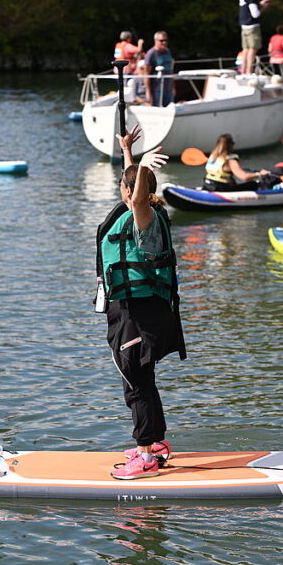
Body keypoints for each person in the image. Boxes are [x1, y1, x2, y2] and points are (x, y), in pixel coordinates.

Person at [96, 126, 186, 480]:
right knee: (142, 377)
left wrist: (143, 165)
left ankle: (146, 454)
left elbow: (136, 197)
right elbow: (133, 188)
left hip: (138, 311)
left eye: (126, 184)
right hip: (139, 309)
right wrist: (128, 152)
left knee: (135, 380)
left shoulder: (143, 218)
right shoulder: (146, 210)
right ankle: (157, 444)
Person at [202, 133, 270, 191]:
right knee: (254, 184)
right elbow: (244, 177)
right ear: (230, 145)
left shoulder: (212, 157)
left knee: (232, 181)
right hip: (221, 189)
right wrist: (259, 174)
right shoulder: (230, 161)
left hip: (207, 185)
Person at [238, 0, 270, 75]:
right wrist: (264, 8)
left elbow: (249, 6)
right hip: (252, 26)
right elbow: (255, 14)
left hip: (244, 25)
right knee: (253, 49)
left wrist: (260, 3)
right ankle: (249, 71)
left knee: (245, 49)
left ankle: (243, 71)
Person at [143, 31, 174, 107]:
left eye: (165, 40)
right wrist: (148, 91)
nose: (164, 42)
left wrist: (173, 87)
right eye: (161, 41)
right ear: (155, 41)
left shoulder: (168, 51)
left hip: (168, 88)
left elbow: (171, 70)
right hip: (156, 89)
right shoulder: (151, 53)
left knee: (170, 108)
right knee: (157, 109)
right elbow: (146, 74)